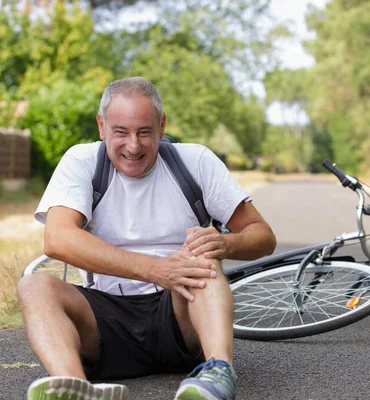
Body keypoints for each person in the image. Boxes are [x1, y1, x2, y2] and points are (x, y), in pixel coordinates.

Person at [18, 77, 277, 400]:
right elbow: (57, 239)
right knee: (33, 285)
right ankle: (74, 387)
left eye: (144, 132)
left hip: (181, 316)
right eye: (121, 132)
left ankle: (218, 373)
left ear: (161, 125)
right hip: (107, 323)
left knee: (202, 257)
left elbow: (262, 235)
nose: (133, 146)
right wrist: (155, 269)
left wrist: (226, 243)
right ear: (101, 127)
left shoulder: (195, 161)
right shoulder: (82, 162)